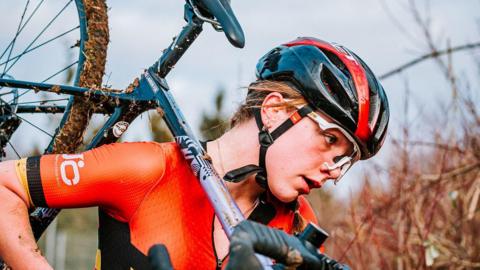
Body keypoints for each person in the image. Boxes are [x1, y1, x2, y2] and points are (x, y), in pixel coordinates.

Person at [0, 37, 389, 269]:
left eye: (346, 159)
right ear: (274, 111)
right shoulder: (148, 170)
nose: (334, 171)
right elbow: (4, 187)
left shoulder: (299, 224)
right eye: (330, 140)